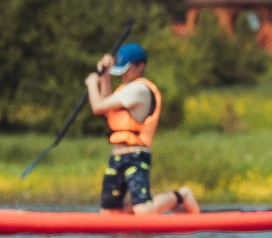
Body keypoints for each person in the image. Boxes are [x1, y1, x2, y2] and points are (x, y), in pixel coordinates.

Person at [86, 42, 201, 216]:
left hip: (135, 156)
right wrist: (105, 77)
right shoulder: (125, 90)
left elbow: (97, 106)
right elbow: (106, 107)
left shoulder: (139, 89)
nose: (123, 75)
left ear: (141, 66)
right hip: (116, 156)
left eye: (126, 69)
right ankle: (163, 205)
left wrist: (91, 83)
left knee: (144, 211)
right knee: (109, 213)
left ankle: (180, 195)